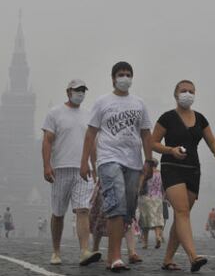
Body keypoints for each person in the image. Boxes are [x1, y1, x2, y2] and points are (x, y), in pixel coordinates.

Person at [80, 61, 153, 272]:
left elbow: (146, 133)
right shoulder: (103, 102)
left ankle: (114, 254)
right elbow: (91, 133)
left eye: (128, 74)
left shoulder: (139, 103)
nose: (125, 78)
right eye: (121, 74)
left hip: (133, 162)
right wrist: (84, 161)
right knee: (116, 203)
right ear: (113, 78)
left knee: (128, 209)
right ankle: (115, 257)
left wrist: (149, 161)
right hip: (108, 159)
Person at [152, 79, 215, 272]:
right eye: (183, 90)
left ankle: (168, 259)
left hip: (193, 170)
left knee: (181, 216)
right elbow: (153, 143)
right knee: (182, 211)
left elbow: (211, 140)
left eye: (191, 91)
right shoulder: (167, 117)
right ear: (176, 95)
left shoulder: (200, 118)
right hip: (172, 167)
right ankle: (193, 256)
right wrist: (170, 150)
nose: (187, 94)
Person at [42, 79, 100, 266]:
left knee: (83, 210)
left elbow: (91, 143)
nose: (80, 93)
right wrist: (46, 166)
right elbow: (47, 141)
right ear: (68, 92)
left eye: (83, 90)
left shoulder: (89, 115)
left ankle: (84, 251)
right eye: (77, 90)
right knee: (58, 213)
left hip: (83, 170)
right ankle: (56, 251)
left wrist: (95, 165)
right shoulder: (55, 113)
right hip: (61, 168)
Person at [138, 158, 164, 249]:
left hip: (146, 197)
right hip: (158, 198)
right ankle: (158, 236)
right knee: (157, 219)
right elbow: (163, 187)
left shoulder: (145, 173)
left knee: (145, 221)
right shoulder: (160, 174)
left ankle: (145, 243)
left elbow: (140, 185)